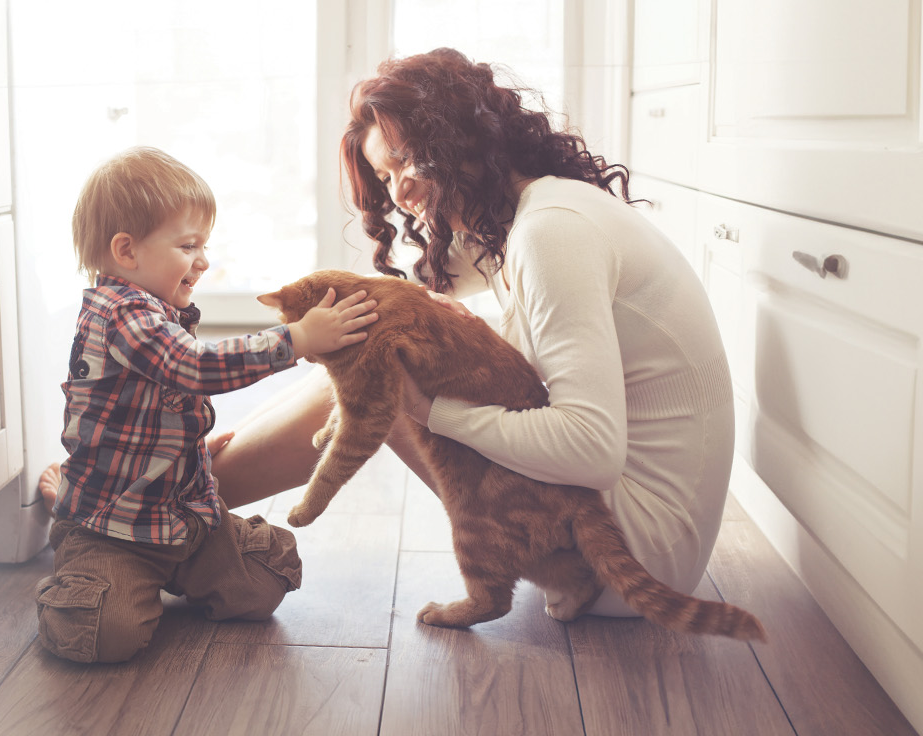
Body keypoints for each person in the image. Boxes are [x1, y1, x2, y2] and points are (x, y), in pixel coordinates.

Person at [205, 48, 738, 620]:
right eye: (386, 176)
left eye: (408, 161)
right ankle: (188, 482)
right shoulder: (526, 215)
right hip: (614, 527)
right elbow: (371, 303)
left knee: (378, 366)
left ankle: (166, 512)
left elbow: (592, 451)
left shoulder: (551, 233)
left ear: (458, 139)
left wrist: (433, 412)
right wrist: (233, 431)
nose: (400, 194)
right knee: (370, 336)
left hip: (628, 552)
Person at [36, 147, 378, 663]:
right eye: (189, 245)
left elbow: (163, 403)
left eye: (204, 245)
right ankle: (77, 560)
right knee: (103, 634)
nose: (203, 260)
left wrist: (188, 450)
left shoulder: (154, 308)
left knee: (266, 584)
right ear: (127, 251)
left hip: (181, 519)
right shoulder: (122, 313)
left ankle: (158, 577)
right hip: (112, 528)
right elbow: (195, 366)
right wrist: (298, 337)